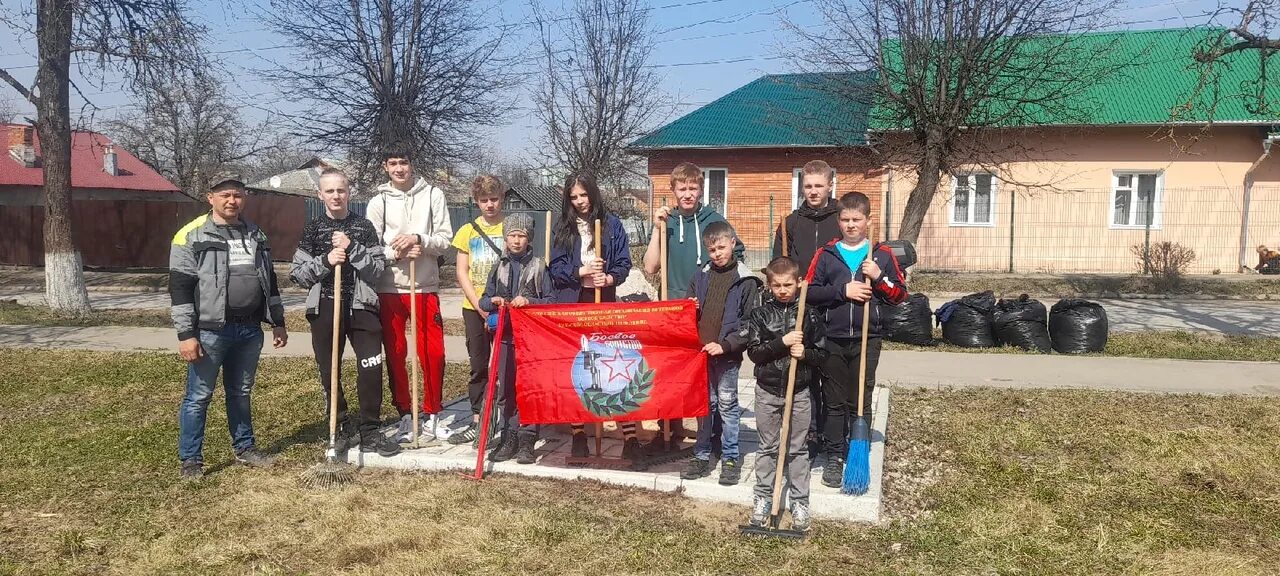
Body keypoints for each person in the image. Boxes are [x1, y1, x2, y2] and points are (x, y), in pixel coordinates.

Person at [170, 175, 288, 479]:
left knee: (241, 391)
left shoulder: (255, 234)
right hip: (210, 332)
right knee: (199, 396)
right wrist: (186, 335)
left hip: (249, 330)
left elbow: (270, 280)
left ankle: (245, 447)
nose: (232, 201)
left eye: (237, 195)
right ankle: (191, 459)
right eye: (225, 195)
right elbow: (180, 288)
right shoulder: (191, 235)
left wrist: (278, 321)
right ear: (211, 198)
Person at [290, 168, 401, 458]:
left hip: (362, 306)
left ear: (349, 192)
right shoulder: (313, 229)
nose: (336, 196)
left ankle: (370, 430)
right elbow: (298, 274)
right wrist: (326, 261)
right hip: (326, 305)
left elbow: (377, 270)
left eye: (341, 190)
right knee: (330, 372)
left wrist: (353, 249)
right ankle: (339, 426)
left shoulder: (364, 227)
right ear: (320, 194)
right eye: (330, 191)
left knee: (371, 367)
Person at [805, 192, 908, 488]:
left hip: (868, 338)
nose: (851, 225)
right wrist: (843, 291)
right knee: (834, 399)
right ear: (838, 221)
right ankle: (835, 456)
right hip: (832, 339)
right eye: (845, 220)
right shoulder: (826, 254)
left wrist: (878, 277)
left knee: (860, 397)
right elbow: (809, 292)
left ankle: (856, 452)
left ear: (868, 221)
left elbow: (900, 296)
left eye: (857, 220)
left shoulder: (882, 255)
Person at [547, 173, 640, 460]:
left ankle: (630, 436)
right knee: (579, 367)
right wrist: (581, 272)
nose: (579, 202)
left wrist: (609, 278)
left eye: (583, 195)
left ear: (593, 194)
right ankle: (578, 434)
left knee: (613, 366)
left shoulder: (611, 225)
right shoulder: (563, 227)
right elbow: (555, 269)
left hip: (604, 302)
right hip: (574, 303)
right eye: (573, 197)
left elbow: (624, 263)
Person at [365, 150, 454, 443]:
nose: (399, 168)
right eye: (393, 164)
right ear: (385, 167)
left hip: (424, 286)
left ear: (412, 164)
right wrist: (396, 252)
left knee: (433, 352)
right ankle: (405, 412)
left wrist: (420, 240)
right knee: (396, 352)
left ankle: (433, 412)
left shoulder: (433, 195)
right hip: (390, 288)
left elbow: (444, 240)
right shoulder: (378, 201)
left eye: (404, 162)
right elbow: (370, 248)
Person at [741, 257, 827, 531]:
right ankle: (763, 498)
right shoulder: (761, 314)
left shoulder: (810, 315)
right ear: (768, 286)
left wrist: (806, 354)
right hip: (767, 391)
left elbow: (823, 354)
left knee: (798, 449)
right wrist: (782, 342)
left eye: (787, 285)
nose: (782, 290)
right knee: (767, 447)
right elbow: (754, 353)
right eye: (776, 285)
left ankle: (800, 501)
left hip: (799, 392)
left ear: (799, 283)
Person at [680, 221, 759, 486]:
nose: (717, 253)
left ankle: (731, 457)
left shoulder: (746, 282)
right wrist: (689, 308)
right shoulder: (699, 276)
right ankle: (701, 454)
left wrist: (726, 345)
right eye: (712, 249)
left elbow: (750, 326)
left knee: (727, 405)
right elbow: (687, 314)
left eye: (721, 247)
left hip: (727, 357)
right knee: (705, 406)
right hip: (701, 355)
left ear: (733, 243)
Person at [771, 159, 842, 452]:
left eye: (818, 186)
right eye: (808, 187)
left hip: (835, 305)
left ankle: (835, 434)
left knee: (833, 375)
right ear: (802, 188)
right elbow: (777, 265)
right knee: (806, 375)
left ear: (829, 186)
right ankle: (810, 436)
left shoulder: (841, 218)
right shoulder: (790, 223)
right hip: (801, 309)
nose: (813, 192)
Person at [479, 213, 555, 465]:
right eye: (512, 235)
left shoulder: (539, 267)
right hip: (504, 338)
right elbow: (483, 299)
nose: (516, 240)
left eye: (521, 235)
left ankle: (527, 438)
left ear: (529, 238)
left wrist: (530, 302)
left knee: (529, 389)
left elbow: (551, 302)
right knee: (506, 390)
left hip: (530, 341)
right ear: (505, 237)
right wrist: (493, 301)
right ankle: (508, 435)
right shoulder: (498, 266)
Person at [447, 175, 507, 444]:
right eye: (484, 200)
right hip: (474, 307)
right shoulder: (468, 231)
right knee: (479, 364)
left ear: (502, 199)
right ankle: (477, 418)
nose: (490, 205)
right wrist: (478, 306)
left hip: (504, 306)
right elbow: (462, 271)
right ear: (476, 202)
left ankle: (505, 419)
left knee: (505, 364)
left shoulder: (510, 228)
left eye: (494, 199)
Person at [642, 162, 744, 299]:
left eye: (693, 188)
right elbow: (650, 268)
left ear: (701, 190)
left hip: (709, 301)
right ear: (673, 189)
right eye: (682, 189)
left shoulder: (715, 221)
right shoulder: (666, 223)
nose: (688, 195)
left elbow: (736, 259)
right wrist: (656, 229)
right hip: (672, 301)